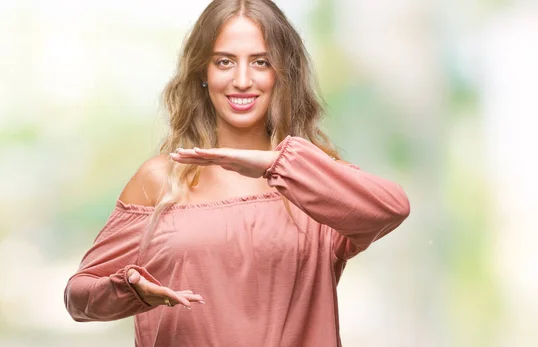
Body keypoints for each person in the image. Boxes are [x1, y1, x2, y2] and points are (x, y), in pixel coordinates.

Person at [63, 0, 410, 346]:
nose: (242, 80)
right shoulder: (159, 180)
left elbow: (393, 208)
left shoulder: (315, 181)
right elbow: (78, 299)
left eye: (261, 62)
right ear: (203, 72)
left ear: (282, 72)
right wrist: (130, 289)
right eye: (224, 62)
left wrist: (278, 165)